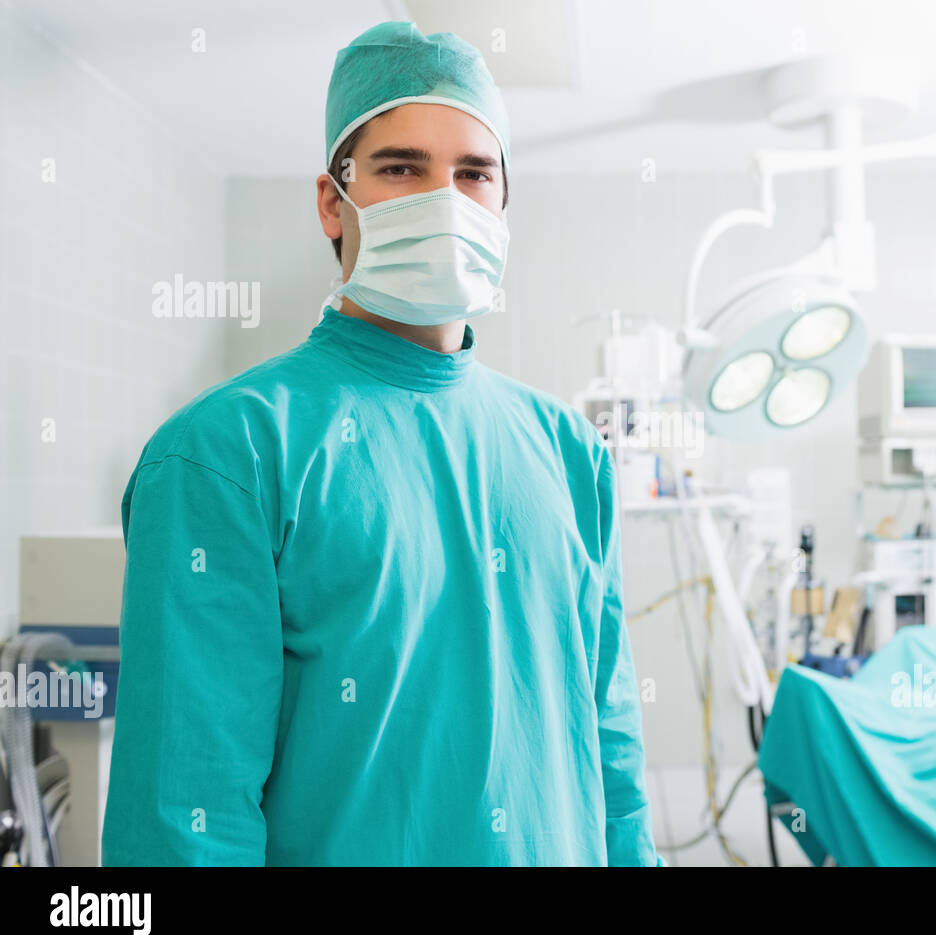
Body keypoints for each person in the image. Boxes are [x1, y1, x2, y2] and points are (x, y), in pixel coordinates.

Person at [101, 22, 660, 866]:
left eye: (474, 173)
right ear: (334, 201)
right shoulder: (229, 451)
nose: (447, 199)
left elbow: (611, 749)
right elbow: (186, 813)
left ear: (503, 204)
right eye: (402, 168)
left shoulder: (571, 452)